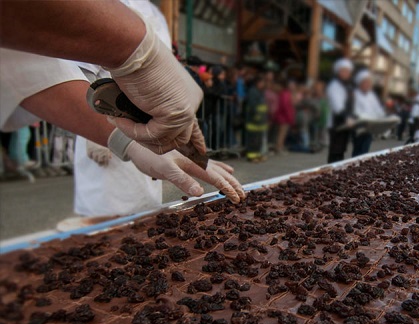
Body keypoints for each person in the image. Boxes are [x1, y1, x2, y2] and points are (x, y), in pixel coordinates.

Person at [0, 2, 245, 201]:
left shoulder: (155, 14)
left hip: (149, 143)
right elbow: (35, 69)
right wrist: (119, 138)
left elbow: (31, 70)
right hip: (99, 130)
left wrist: (172, 142)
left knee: (147, 212)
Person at [73, 0, 168, 218]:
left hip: (147, 130)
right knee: (108, 223)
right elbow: (78, 76)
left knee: (148, 216)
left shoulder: (155, 14)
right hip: (106, 127)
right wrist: (96, 134)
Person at [326, 58, 355, 163]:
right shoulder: (334, 85)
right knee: (335, 150)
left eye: (348, 71)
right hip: (336, 122)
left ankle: (337, 170)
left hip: (345, 122)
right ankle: (330, 172)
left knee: (341, 149)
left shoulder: (347, 86)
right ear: (338, 72)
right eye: (344, 71)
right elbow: (337, 104)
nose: (346, 73)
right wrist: (346, 116)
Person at [353, 69, 385, 157]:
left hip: (370, 127)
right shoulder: (355, 94)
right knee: (358, 150)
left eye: (369, 82)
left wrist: (381, 118)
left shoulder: (371, 95)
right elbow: (356, 111)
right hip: (360, 127)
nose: (367, 84)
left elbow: (378, 110)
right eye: (365, 82)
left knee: (365, 150)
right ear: (360, 83)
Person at [244, 73, 269, 162]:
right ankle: (251, 156)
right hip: (253, 120)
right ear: (257, 82)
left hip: (260, 121)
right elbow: (252, 106)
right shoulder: (253, 91)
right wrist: (256, 115)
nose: (263, 84)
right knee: (253, 139)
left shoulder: (259, 92)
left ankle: (258, 154)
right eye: (262, 82)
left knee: (258, 140)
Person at [274, 79, 296, 154]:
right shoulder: (286, 94)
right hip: (284, 117)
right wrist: (290, 117)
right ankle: (279, 148)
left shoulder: (284, 93)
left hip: (283, 116)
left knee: (282, 133)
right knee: (282, 134)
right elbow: (286, 106)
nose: (293, 87)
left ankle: (280, 147)